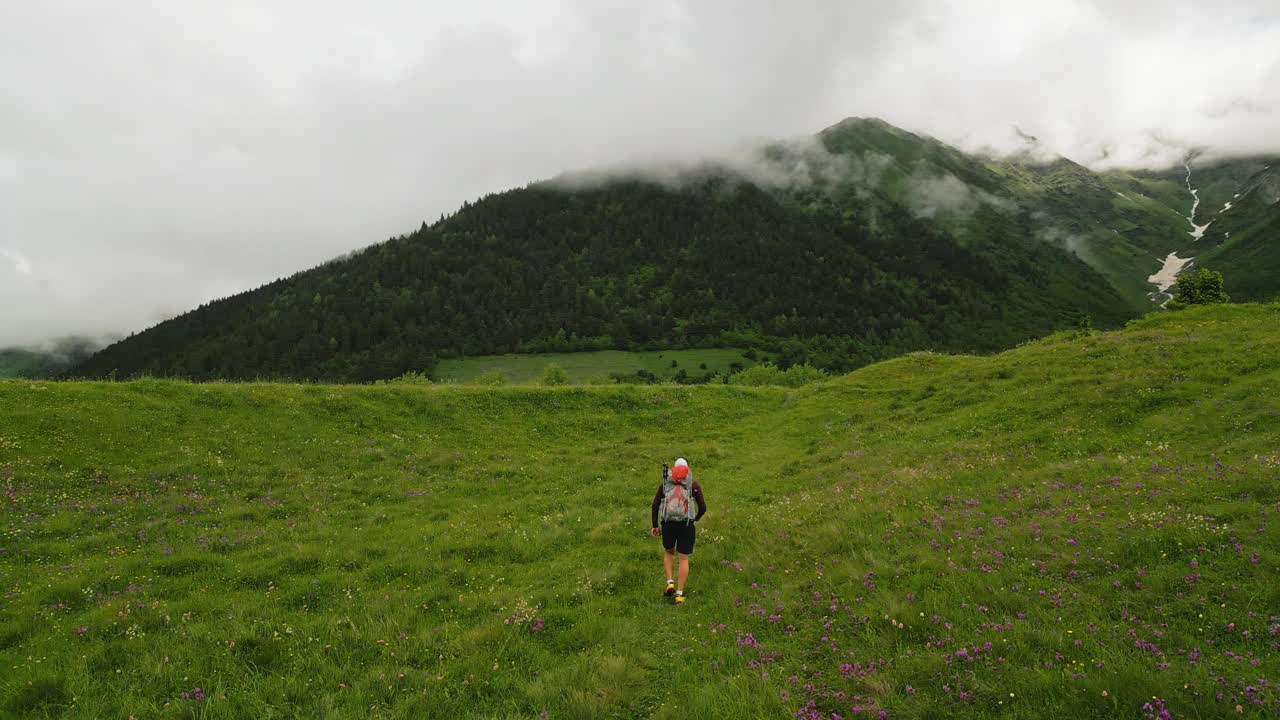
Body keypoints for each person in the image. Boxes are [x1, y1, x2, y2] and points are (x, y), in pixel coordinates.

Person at [650, 457, 706, 604]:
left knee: (669, 552)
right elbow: (703, 507)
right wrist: (696, 518)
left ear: (673, 470)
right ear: (687, 470)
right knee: (683, 559)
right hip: (686, 525)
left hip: (668, 524)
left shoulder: (665, 484)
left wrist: (655, 525)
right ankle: (680, 593)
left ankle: (670, 582)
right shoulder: (692, 485)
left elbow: (655, 505)